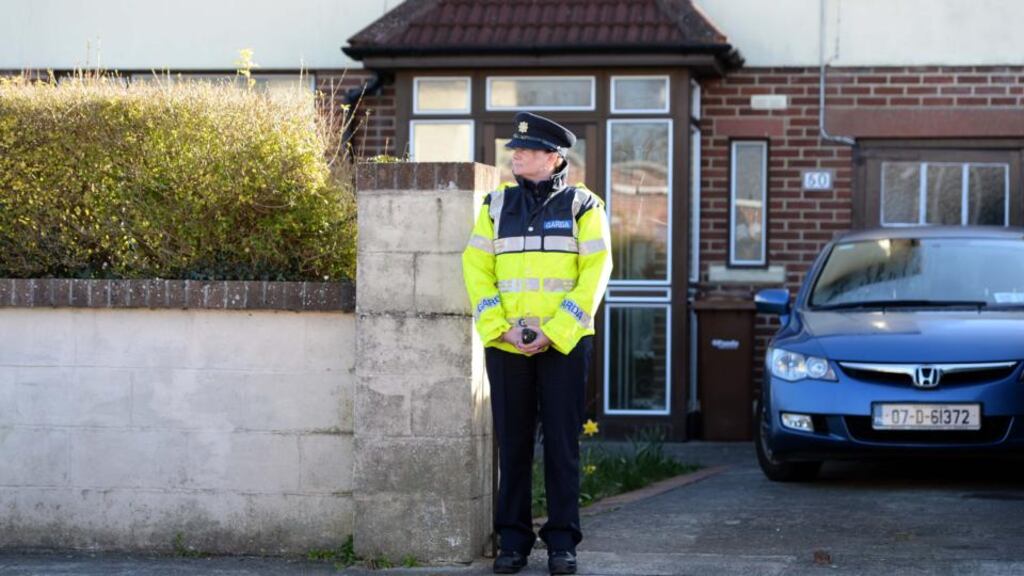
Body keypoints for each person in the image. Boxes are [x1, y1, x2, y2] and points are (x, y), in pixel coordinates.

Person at [462, 112, 613, 575]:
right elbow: (475, 269)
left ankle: (562, 543)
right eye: (515, 150)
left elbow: (596, 274)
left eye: (525, 150)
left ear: (553, 157)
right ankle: (513, 541)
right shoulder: (493, 205)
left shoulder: (584, 206)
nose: (516, 155)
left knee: (563, 445)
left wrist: (555, 331)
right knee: (513, 444)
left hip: (563, 345)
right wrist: (501, 328)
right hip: (507, 345)